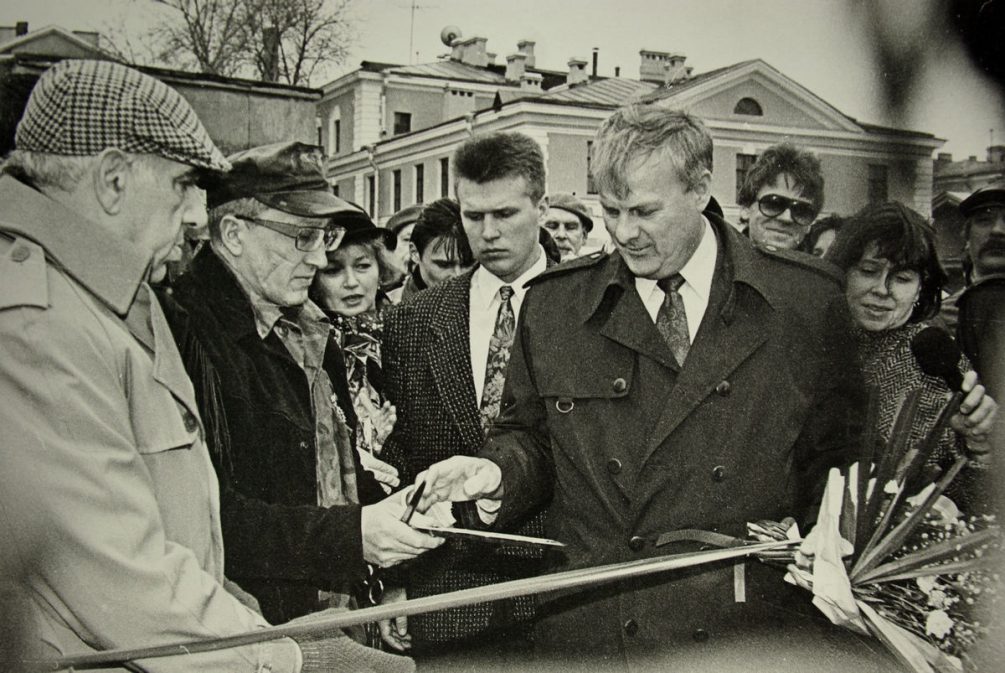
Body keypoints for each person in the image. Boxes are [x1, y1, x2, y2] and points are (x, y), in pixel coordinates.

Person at [415, 105, 892, 672]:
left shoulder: (803, 303)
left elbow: (841, 459)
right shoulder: (554, 305)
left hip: (745, 636)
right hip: (593, 632)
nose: (624, 233)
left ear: (700, 189)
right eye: (611, 210)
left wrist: (835, 543)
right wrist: (495, 473)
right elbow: (532, 439)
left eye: (644, 211)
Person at [0, 58, 405, 673]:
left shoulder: (112, 294)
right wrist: (292, 655)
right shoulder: (33, 320)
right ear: (113, 180)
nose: (197, 216)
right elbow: (118, 576)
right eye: (183, 184)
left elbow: (183, 528)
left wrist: (252, 619)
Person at [162, 141, 443, 643]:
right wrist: (354, 537)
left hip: (324, 616)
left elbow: (339, 466)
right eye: (302, 237)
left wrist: (392, 568)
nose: (319, 256)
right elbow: (203, 518)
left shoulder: (307, 329)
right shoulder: (186, 333)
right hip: (247, 634)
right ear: (234, 234)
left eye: (324, 236)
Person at [380, 132, 553, 652]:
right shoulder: (415, 319)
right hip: (445, 591)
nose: (489, 232)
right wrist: (394, 579)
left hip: (563, 588)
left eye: (505, 214)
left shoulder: (590, 307)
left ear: (542, 206)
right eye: (473, 216)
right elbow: (401, 452)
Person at [826, 201, 997, 511]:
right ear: (843, 273)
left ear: (921, 288)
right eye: (868, 271)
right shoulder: (813, 343)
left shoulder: (934, 358)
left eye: (902, 278)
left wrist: (981, 449)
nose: (882, 289)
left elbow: (972, 498)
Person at [310, 219, 402, 477]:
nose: (351, 282)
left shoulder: (407, 330)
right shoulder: (307, 344)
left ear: (381, 270)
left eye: (362, 266)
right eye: (333, 270)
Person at [737, 143, 824, 252]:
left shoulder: (818, 263)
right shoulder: (720, 258)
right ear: (745, 208)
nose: (786, 218)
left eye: (801, 211)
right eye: (774, 204)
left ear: (809, 225)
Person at [395, 197, 474, 301]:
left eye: (467, 264)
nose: (458, 275)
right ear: (414, 253)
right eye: (444, 265)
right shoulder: (388, 306)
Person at [543, 192, 594, 261]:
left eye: (571, 227)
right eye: (552, 226)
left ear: (584, 236)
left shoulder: (595, 267)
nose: (561, 235)